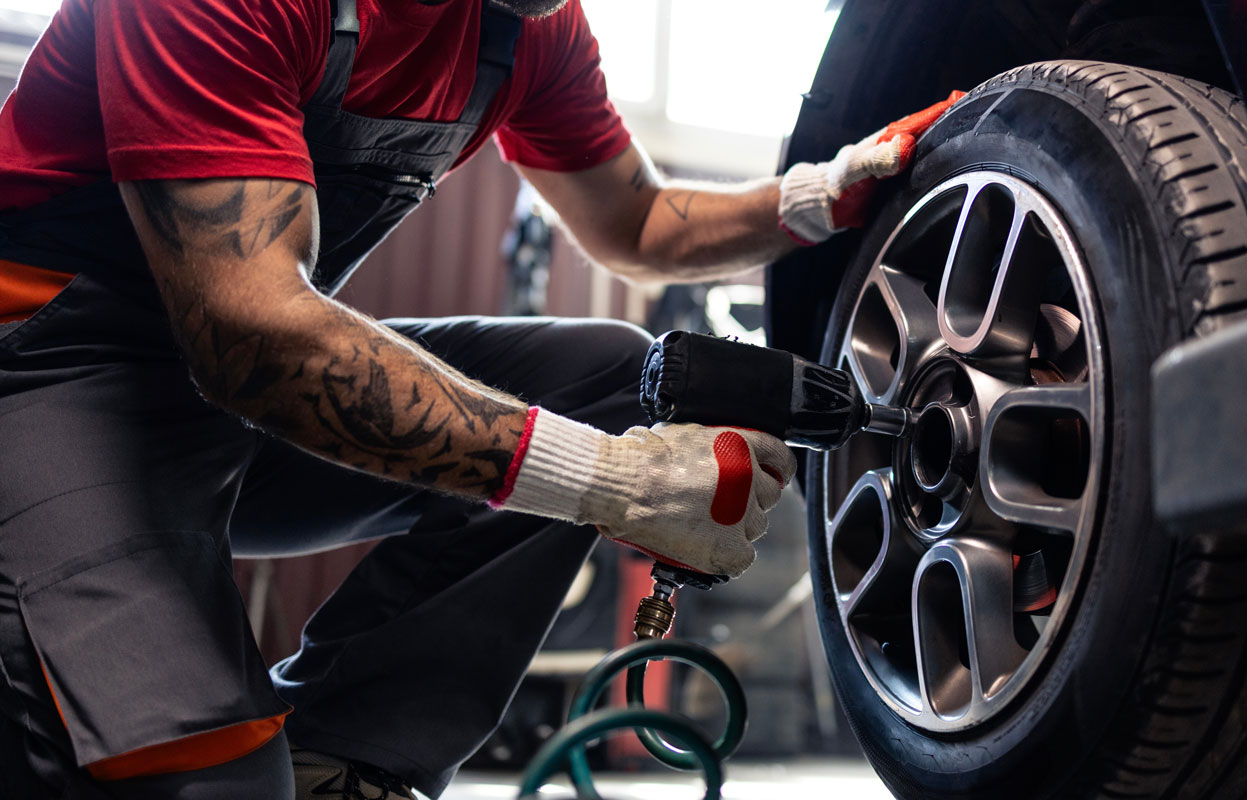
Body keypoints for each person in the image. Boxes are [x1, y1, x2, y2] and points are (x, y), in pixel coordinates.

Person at [0, 0, 962, 797]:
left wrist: (811, 197)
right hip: (45, 376)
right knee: (213, 782)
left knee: (613, 377)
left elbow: (635, 218)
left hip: (227, 409)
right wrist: (609, 482)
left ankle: (346, 758)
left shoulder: (526, 25)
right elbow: (253, 335)